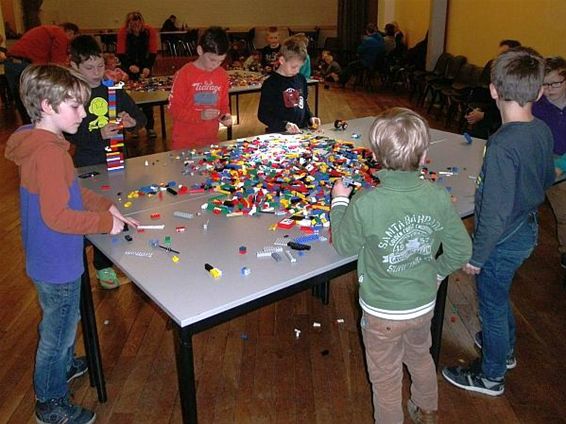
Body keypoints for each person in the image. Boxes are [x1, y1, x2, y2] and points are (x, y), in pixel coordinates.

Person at [4, 64, 137, 424]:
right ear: (47, 105)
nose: (83, 113)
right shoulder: (49, 154)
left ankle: (62, 364)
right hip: (57, 260)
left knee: (63, 318)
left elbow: (72, 191)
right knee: (58, 331)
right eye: (75, 106)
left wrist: (102, 204)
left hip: (50, 256)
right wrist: (103, 223)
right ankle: (50, 402)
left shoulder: (41, 140)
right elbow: (58, 217)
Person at [330, 107, 472, 424]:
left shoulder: (366, 203)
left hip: (382, 312)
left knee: (385, 379)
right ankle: (427, 409)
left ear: (377, 157)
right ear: (423, 157)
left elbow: (343, 245)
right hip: (422, 306)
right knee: (421, 356)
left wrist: (339, 201)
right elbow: (462, 250)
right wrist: (436, 271)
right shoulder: (437, 196)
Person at [442, 47, 556, 396]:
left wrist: (477, 255)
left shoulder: (503, 144)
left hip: (503, 238)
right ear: (538, 92)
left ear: (493, 90)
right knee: (498, 295)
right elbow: (547, 178)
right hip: (527, 227)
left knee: (490, 303)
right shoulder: (541, 130)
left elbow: (493, 210)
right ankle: (503, 351)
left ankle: (491, 376)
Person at [67, 35, 146, 289]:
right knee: (96, 216)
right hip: (87, 164)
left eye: (100, 66)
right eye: (89, 68)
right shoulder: (72, 94)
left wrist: (134, 123)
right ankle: (93, 265)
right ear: (74, 66)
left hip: (116, 162)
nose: (97, 72)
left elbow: (141, 118)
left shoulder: (113, 90)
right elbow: (70, 133)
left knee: (120, 210)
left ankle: (116, 262)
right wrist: (97, 133)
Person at [168, 26, 232, 150]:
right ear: (200, 50)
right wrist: (200, 116)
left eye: (220, 61)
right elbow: (174, 109)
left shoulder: (222, 75)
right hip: (184, 142)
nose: (215, 65)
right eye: (212, 59)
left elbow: (223, 105)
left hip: (211, 140)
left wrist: (225, 115)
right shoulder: (185, 73)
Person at [4, 22, 79, 124]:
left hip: (11, 63)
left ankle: (29, 131)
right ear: (70, 32)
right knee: (33, 103)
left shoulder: (47, 30)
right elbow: (57, 66)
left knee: (23, 104)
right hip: (24, 66)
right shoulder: (60, 34)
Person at [532, 56, 566, 268]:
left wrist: (560, 166)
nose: (549, 89)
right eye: (544, 84)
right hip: (546, 160)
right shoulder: (537, 107)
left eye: (555, 83)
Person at [258, 36, 321, 134]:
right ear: (282, 60)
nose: (297, 70)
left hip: (301, 132)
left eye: (300, 67)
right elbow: (263, 115)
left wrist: (310, 117)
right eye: (294, 67)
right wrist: (284, 125)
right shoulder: (270, 84)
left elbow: (302, 102)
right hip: (279, 133)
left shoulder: (301, 79)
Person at [465, 39, 522, 139]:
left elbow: (509, 112)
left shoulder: (519, 81)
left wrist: (484, 115)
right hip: (491, 117)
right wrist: (480, 110)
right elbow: (491, 102)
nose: (499, 58)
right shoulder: (499, 73)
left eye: (503, 55)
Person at [117, 11, 158, 139]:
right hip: (129, 68)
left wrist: (147, 67)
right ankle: (133, 128)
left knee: (147, 99)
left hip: (145, 66)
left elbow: (152, 51)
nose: (136, 27)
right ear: (129, 24)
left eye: (138, 24)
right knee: (130, 99)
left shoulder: (149, 31)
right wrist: (129, 66)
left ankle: (150, 127)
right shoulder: (123, 33)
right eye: (133, 25)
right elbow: (121, 53)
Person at [339, 23, 385, 88]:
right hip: (378, 63)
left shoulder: (368, 40)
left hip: (367, 62)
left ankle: (342, 82)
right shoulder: (381, 39)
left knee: (351, 65)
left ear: (367, 31)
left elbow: (359, 50)